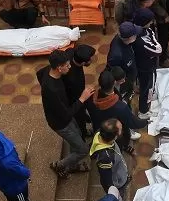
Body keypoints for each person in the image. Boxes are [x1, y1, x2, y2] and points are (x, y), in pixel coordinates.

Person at [38, 50, 95, 179]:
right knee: (83, 150)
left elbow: (38, 74)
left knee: (78, 135)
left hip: (64, 117)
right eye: (68, 65)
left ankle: (72, 164)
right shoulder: (52, 90)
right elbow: (66, 114)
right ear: (59, 68)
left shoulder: (47, 71)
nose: (70, 67)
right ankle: (59, 165)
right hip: (61, 123)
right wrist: (82, 98)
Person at [89, 69, 147, 150]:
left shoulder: (90, 97)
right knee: (117, 148)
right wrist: (146, 122)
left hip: (99, 130)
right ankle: (125, 147)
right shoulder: (120, 107)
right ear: (114, 83)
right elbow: (133, 123)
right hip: (115, 135)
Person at [130, 8, 163, 119]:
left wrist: (154, 45)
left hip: (149, 64)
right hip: (144, 68)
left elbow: (153, 37)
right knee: (146, 88)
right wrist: (154, 45)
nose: (152, 22)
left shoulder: (146, 30)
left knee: (150, 84)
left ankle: (149, 96)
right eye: (150, 21)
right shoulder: (140, 40)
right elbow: (158, 50)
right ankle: (143, 111)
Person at [64, 44, 97, 135]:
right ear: (82, 63)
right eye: (89, 59)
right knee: (79, 117)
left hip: (77, 91)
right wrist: (84, 97)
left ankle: (85, 117)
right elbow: (78, 98)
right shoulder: (73, 79)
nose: (91, 60)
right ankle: (83, 132)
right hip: (74, 99)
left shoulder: (71, 52)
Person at [106, 22, 139, 107]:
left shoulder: (124, 40)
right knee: (123, 97)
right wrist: (121, 81)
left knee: (130, 89)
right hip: (123, 81)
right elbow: (114, 72)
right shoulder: (116, 55)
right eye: (135, 35)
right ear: (130, 38)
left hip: (130, 76)